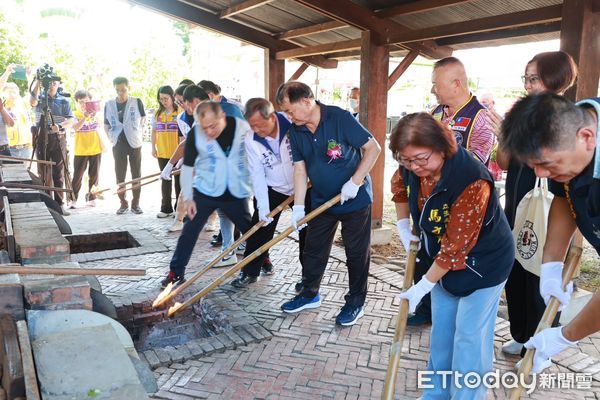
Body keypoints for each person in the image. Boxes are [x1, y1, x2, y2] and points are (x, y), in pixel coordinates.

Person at [391, 112, 513, 398]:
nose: (414, 166)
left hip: (485, 263)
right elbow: (399, 188)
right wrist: (403, 224)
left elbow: (455, 247)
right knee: (443, 334)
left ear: (441, 147)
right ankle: (437, 393)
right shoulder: (411, 166)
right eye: (406, 160)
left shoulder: (471, 179)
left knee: (469, 337)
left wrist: (422, 286)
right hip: (442, 262)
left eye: (421, 159)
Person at [500, 93, 600, 374]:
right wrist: (552, 264)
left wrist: (564, 336)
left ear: (587, 138)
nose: (541, 174)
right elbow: (563, 198)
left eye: (548, 164)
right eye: (535, 166)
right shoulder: (570, 125)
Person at [393, 56, 496, 327]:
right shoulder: (436, 112)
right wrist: (404, 223)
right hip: (429, 200)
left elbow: (473, 165)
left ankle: (441, 298)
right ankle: (426, 306)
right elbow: (405, 173)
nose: (433, 90)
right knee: (426, 251)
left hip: (460, 202)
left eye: (436, 84)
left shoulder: (479, 118)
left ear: (456, 83)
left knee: (452, 250)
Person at [492, 51, 578, 359]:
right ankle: (521, 334)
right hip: (516, 207)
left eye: (534, 78)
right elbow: (502, 161)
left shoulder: (567, 115)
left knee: (541, 276)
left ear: (556, 79)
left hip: (550, 211)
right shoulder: (520, 112)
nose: (528, 85)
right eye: (526, 78)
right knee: (515, 272)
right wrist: (505, 133)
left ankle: (540, 344)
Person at [275, 81, 381, 327]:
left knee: (355, 253)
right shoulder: (296, 131)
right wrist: (300, 206)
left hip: (355, 199)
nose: (288, 117)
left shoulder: (339, 118)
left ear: (306, 101)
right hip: (323, 200)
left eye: (290, 110)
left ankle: (356, 302)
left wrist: (355, 182)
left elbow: (372, 148)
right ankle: (309, 294)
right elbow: (300, 170)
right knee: (313, 249)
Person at [161, 101, 253, 288]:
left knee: (250, 230)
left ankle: (262, 260)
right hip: (206, 189)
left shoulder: (241, 129)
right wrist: (188, 197)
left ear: (223, 118)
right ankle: (176, 272)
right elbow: (187, 167)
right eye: (205, 128)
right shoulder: (196, 133)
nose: (209, 131)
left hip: (233, 190)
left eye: (213, 126)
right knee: (189, 230)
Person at [230, 98, 309, 288]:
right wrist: (263, 205)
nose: (256, 130)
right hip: (273, 187)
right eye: (251, 126)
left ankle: (308, 279)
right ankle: (249, 271)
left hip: (304, 186)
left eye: (259, 125)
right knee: (258, 228)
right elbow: (256, 173)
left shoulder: (292, 124)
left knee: (308, 232)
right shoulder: (251, 138)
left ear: (272, 117)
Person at [161, 84, 210, 232]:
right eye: (178, 102)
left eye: (182, 101)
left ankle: (213, 221)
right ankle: (178, 219)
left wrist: (169, 165)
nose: (182, 105)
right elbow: (185, 141)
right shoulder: (183, 118)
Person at [30, 74, 74, 212]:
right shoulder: (40, 97)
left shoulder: (63, 101)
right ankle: (47, 204)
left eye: (54, 82)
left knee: (58, 172)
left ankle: (60, 204)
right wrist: (37, 82)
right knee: (43, 172)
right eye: (49, 82)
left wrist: (59, 126)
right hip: (41, 138)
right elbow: (32, 102)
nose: (51, 85)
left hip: (57, 138)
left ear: (58, 84)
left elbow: (71, 120)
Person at [104, 77, 146, 215]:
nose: (121, 93)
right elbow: (106, 124)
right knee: (120, 174)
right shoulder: (109, 104)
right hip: (118, 143)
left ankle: (136, 203)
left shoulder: (137, 102)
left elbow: (143, 121)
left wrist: (136, 133)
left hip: (135, 143)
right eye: (118, 90)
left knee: (136, 174)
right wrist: (111, 137)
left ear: (129, 88)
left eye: (123, 90)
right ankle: (123, 203)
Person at [70, 90, 103, 208]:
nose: (84, 104)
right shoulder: (74, 114)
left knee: (94, 175)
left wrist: (95, 115)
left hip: (96, 148)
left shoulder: (96, 113)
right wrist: (84, 117)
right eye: (81, 102)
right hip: (81, 149)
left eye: (86, 101)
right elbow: (75, 128)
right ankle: (73, 199)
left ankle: (92, 198)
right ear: (77, 103)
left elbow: (102, 124)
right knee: (77, 175)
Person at [152, 85, 180, 218]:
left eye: (166, 98)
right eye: (161, 99)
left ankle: (179, 209)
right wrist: (153, 147)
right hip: (162, 153)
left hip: (177, 153)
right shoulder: (158, 114)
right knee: (165, 180)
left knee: (179, 182)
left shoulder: (179, 112)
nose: (164, 101)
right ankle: (166, 208)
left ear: (172, 97)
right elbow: (154, 131)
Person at [3, 82, 32, 159]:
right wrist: (7, 72)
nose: (12, 94)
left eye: (14, 92)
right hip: (10, 149)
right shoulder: (2, 107)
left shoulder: (24, 104)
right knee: (10, 171)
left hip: (26, 149)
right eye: (9, 92)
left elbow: (32, 93)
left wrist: (28, 76)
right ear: (4, 93)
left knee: (25, 171)